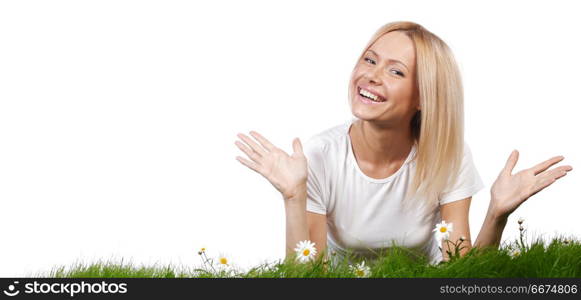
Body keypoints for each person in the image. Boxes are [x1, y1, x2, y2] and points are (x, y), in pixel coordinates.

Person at [234, 21, 573, 266]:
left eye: (395, 72)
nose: (371, 75)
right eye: (370, 60)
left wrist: (497, 214)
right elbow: (308, 275)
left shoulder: (447, 156)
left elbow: (461, 275)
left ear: (424, 96)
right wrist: (294, 197)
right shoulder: (321, 155)